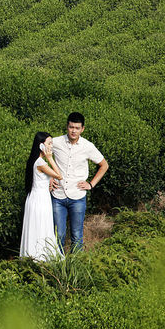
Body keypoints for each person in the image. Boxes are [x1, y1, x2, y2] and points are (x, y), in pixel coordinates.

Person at [49, 112, 108, 254]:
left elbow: (104, 165)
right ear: (67, 126)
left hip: (78, 197)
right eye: (71, 127)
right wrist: (48, 177)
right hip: (58, 196)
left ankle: (76, 268)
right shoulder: (55, 142)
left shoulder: (88, 146)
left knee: (77, 236)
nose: (73, 131)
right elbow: (39, 157)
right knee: (59, 235)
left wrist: (91, 184)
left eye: (77, 128)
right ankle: (59, 268)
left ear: (82, 129)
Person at [20, 132, 63, 261]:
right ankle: (38, 259)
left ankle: (36, 259)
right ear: (41, 146)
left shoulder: (37, 161)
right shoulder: (40, 163)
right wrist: (50, 158)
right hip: (39, 201)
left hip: (40, 198)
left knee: (41, 228)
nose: (51, 147)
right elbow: (59, 175)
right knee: (39, 228)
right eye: (49, 144)